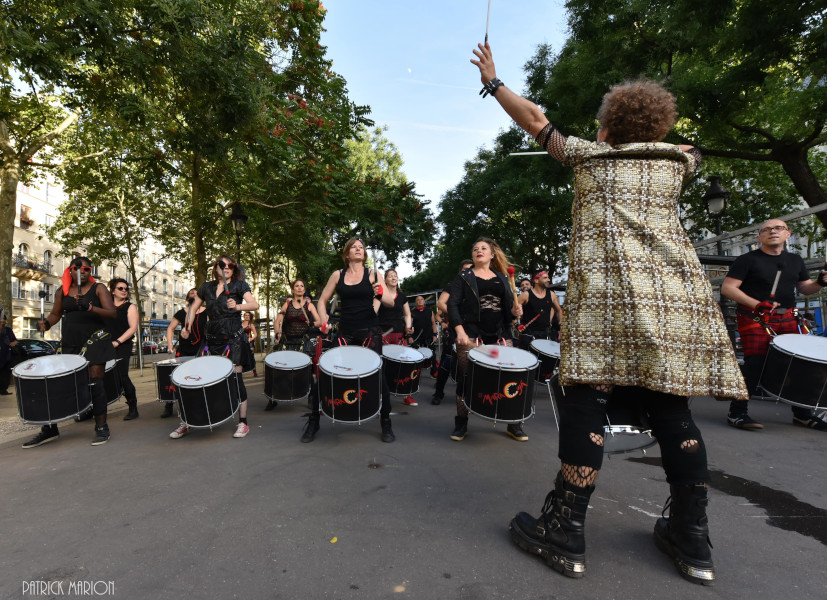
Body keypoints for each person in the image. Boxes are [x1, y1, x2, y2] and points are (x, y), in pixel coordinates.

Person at [472, 42, 747, 584]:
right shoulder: (680, 163)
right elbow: (689, 148)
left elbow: (534, 119)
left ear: (606, 128)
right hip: (672, 303)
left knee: (585, 407)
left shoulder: (587, 156)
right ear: (658, 127)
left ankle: (566, 531)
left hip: (607, 305)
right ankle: (693, 542)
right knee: (673, 412)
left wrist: (494, 81)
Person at [721, 219, 827, 431]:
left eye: (778, 228)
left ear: (788, 234)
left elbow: (804, 288)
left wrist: (820, 283)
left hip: (788, 316)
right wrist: (757, 304)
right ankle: (737, 413)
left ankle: (802, 414)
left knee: (799, 365)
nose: (773, 232)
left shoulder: (795, 260)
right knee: (755, 363)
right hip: (755, 316)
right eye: (766, 230)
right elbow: (728, 288)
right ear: (759, 237)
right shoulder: (747, 259)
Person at [301, 237, 396, 443]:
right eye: (354, 247)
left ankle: (386, 421)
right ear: (347, 254)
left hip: (369, 331)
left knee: (379, 377)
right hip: (345, 331)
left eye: (361, 247)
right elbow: (323, 300)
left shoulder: (373, 274)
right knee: (325, 374)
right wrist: (323, 317)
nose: (358, 249)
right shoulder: (338, 274)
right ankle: (314, 421)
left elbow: (389, 301)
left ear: (364, 254)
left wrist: (380, 293)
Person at [25, 257, 118, 447]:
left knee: (95, 383)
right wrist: (47, 323)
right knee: (58, 384)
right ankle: (50, 428)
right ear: (71, 269)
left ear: (90, 271)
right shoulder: (63, 291)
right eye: (78, 268)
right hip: (70, 341)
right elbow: (56, 313)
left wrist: (90, 307)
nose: (82, 271)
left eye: (86, 268)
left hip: (95, 340)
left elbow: (112, 313)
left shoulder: (98, 288)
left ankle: (101, 427)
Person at [169, 255, 259, 440]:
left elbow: (254, 304)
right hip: (211, 340)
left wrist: (238, 306)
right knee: (198, 380)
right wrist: (187, 327)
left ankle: (243, 422)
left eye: (230, 266)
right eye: (222, 265)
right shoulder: (206, 287)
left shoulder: (239, 285)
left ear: (234, 269)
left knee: (236, 380)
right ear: (216, 268)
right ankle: (188, 421)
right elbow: (194, 308)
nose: (226, 268)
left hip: (233, 339)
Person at [446, 237, 524, 441]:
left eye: (483, 248)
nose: (478, 250)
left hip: (500, 335)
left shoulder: (503, 278)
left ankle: (513, 423)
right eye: (475, 248)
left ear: (491, 254)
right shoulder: (464, 277)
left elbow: (509, 311)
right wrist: (460, 331)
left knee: (509, 378)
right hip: (472, 335)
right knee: (467, 380)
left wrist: (515, 311)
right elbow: (452, 305)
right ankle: (461, 423)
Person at [271, 279, 322, 411]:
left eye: (302, 286)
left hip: (303, 342)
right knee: (280, 369)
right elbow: (278, 321)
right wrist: (277, 333)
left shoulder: (309, 305)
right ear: (293, 290)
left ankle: (311, 397)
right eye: (296, 286)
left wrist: (310, 323)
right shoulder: (287, 305)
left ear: (304, 290)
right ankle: (274, 397)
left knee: (307, 370)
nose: (299, 288)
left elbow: (319, 322)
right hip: (287, 341)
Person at [432, 259, 474, 405]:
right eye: (465, 269)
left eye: (471, 269)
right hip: (456, 328)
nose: (468, 272)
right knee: (447, 361)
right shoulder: (452, 285)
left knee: (472, 363)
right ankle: (438, 393)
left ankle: (470, 396)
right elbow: (441, 303)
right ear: (460, 271)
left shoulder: (477, 285)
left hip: (473, 330)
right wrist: (458, 315)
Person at [163, 287, 207, 417]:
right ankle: (169, 403)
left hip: (201, 349)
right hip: (184, 348)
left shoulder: (207, 312)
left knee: (198, 376)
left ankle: (199, 403)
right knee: (176, 375)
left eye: (197, 293)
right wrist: (170, 345)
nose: (194, 294)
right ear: (187, 298)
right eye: (191, 293)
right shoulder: (181, 313)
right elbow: (170, 328)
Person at [105, 278, 140, 420]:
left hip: (123, 345)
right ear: (112, 291)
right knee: (103, 377)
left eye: (126, 288)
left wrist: (118, 341)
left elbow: (133, 328)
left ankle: (133, 407)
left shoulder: (130, 307)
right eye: (120, 288)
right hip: (106, 345)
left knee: (122, 376)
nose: (124, 290)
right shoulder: (106, 306)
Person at [517, 269, 563, 349]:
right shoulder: (525, 295)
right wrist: (516, 324)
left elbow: (559, 310)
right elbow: (512, 311)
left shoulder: (552, 295)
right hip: (528, 335)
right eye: (545, 278)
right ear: (536, 280)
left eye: (548, 277)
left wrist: (560, 326)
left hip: (546, 334)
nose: (548, 279)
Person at [376, 269, 412, 345]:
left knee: (401, 356)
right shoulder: (380, 295)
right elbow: (373, 311)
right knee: (383, 356)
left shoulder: (402, 296)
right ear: (385, 280)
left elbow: (407, 314)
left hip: (399, 332)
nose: (393, 278)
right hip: (383, 333)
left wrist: (408, 327)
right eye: (390, 276)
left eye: (395, 276)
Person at [0, 308, 18, 395]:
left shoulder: (8, 330)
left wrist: (14, 343)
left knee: (6, 373)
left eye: (3, 320)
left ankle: (3, 389)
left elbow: (15, 340)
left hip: (6, 354)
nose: (3, 322)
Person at [241, 311, 258, 377]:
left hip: (249, 342)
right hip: (242, 342)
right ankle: (241, 370)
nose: (247, 316)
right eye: (246, 315)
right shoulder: (241, 323)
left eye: (248, 315)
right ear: (244, 316)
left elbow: (255, 334)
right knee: (242, 356)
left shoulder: (251, 324)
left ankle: (254, 371)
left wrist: (251, 339)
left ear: (250, 316)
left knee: (251, 356)